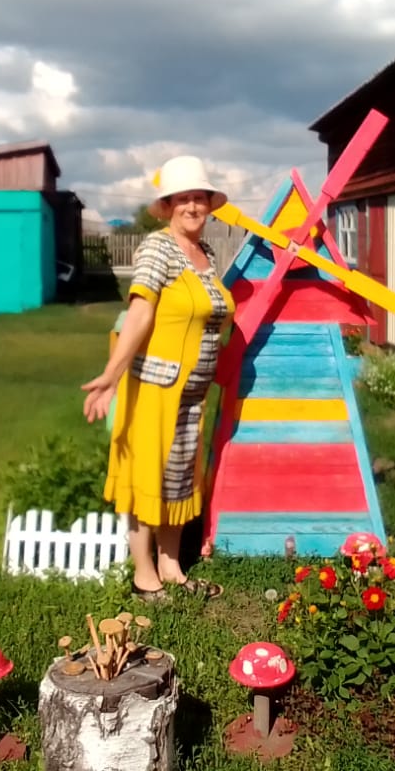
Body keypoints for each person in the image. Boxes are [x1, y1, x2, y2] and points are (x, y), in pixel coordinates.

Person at [81, 156, 235, 600]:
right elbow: (140, 311)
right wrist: (111, 375)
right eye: (182, 198)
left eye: (199, 197)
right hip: (156, 388)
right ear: (167, 206)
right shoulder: (157, 248)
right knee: (148, 476)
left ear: (209, 205)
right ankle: (143, 575)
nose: (192, 206)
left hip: (191, 395)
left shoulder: (205, 256)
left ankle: (171, 568)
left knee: (178, 478)